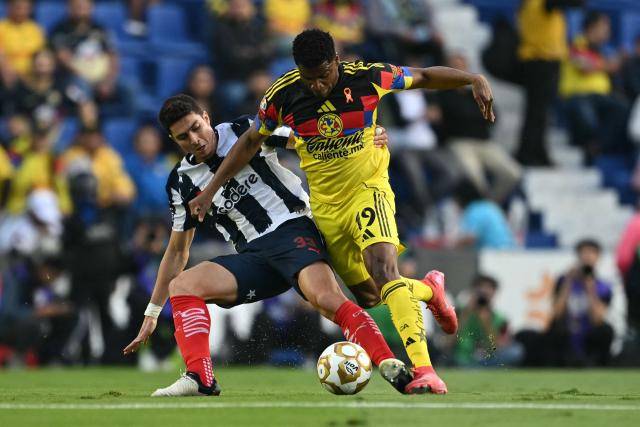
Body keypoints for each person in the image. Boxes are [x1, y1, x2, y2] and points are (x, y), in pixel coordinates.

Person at [189, 29, 495, 394]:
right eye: (309, 78)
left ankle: (425, 370)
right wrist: (210, 190)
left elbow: (425, 75)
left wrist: (473, 78)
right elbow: (251, 141)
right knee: (367, 297)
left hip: (368, 191)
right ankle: (428, 291)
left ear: (337, 61)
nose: (317, 86)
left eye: (324, 76)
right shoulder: (282, 95)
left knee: (384, 271)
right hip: (325, 207)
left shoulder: (369, 76)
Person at [123, 94, 412, 396]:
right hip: (254, 256)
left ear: (206, 117)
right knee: (183, 286)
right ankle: (200, 377)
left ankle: (388, 362)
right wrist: (153, 312)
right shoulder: (180, 182)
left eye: (196, 127)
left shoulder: (245, 130)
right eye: (183, 136)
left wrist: (365, 137)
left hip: (292, 230)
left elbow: (309, 139)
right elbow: (178, 251)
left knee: (327, 300)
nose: (194, 139)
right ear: (172, 139)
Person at [516, 0, 585, 166]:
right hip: (543, 60)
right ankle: (532, 153)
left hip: (535, 60)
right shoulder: (541, 3)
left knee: (536, 111)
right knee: (539, 111)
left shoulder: (527, 4)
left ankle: (532, 151)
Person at [452, 275, 523, 367]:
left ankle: (477, 368)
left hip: (486, 359)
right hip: (461, 357)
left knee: (516, 351)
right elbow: (447, 344)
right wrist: (466, 314)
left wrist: (486, 321)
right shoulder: (459, 312)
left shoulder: (500, 319)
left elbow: (495, 348)